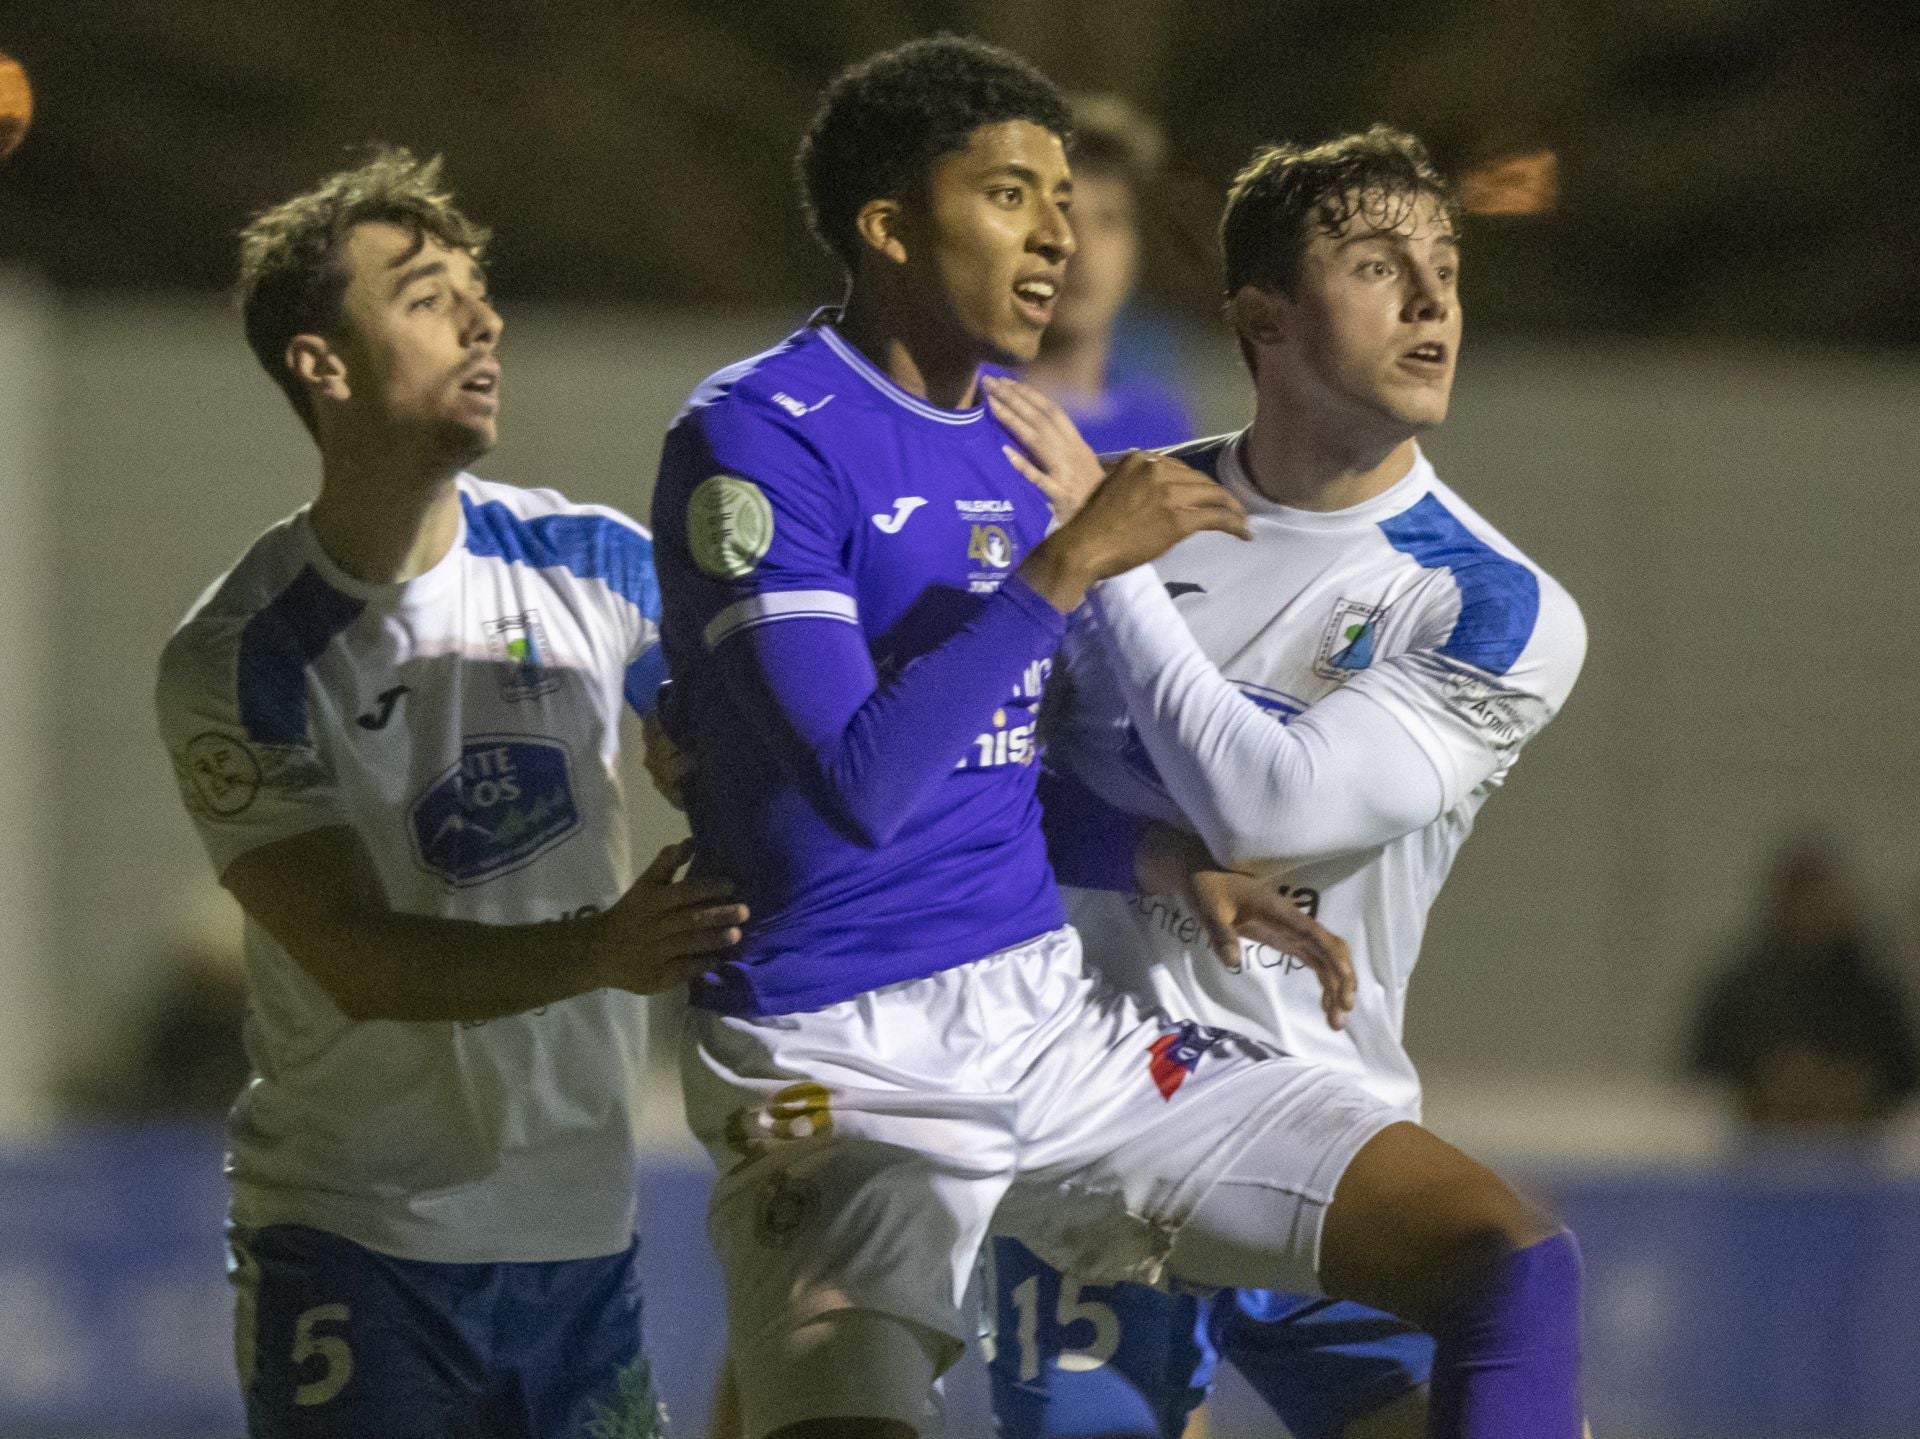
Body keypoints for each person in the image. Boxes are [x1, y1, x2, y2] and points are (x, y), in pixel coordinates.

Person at [651, 39, 1584, 1439]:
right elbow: (858, 781)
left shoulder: (1035, 454)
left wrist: (1155, 855)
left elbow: (1004, 773)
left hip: (1063, 1027)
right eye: (1012, 195)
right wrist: (1073, 564)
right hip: (839, 1056)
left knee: (1514, 1258)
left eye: (1068, 200)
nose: (1058, 233)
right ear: (889, 225)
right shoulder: (770, 430)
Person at [982, 127, 1588, 1439]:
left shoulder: (1495, 602)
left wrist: (1107, 565)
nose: (1432, 304)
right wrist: (1144, 852)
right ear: (1264, 316)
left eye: (1446, 269)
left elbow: (1269, 812)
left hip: (1317, 1120)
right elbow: (988, 797)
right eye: (1378, 266)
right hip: (1092, 1121)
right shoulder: (1109, 515)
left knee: (1518, 1318)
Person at [154, 147, 747, 1438]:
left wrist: (709, 743)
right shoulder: (242, 655)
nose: (483, 321)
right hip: (355, 1239)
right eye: (428, 297)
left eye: (480, 293)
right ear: (323, 363)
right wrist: (605, 949)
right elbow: (356, 956)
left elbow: (736, 738)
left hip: (579, 1235)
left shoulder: (591, 561)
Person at [1689, 836, 1919, 1134]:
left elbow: (1904, 1080)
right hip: (1757, 1149)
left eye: (1818, 897)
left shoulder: (1873, 992)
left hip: (1861, 1150)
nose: (1808, 910)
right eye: (1798, 897)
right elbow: (1702, 1083)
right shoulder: (1739, 992)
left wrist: (1854, 1088)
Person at [1023, 94, 1194, 454]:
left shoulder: (1163, 431)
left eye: (1108, 220)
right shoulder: (962, 407)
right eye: (1061, 214)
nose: (1080, 249)